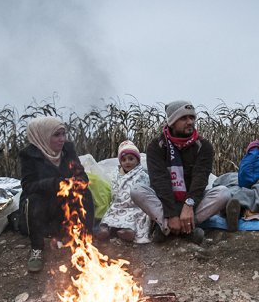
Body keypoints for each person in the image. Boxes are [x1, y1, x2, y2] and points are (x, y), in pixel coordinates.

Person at [131, 100, 231, 243]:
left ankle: (169, 229)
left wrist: (189, 205)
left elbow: (200, 178)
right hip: (165, 201)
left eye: (192, 118)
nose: (190, 122)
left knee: (223, 193)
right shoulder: (157, 146)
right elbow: (159, 181)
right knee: (136, 190)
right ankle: (181, 228)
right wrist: (172, 214)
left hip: (193, 201)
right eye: (184, 118)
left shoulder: (203, 146)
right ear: (172, 122)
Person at [19, 116, 94, 273]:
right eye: (56, 135)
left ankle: (84, 242)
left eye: (63, 134)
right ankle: (37, 249)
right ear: (43, 136)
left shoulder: (67, 150)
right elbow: (28, 186)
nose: (61, 139)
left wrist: (75, 182)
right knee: (34, 200)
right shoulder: (30, 155)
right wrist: (54, 183)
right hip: (44, 201)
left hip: (64, 200)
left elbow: (82, 175)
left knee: (85, 194)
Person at [97, 140, 151, 243]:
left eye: (131, 159)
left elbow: (147, 188)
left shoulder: (142, 174)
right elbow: (114, 188)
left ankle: (129, 231)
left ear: (137, 160)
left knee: (137, 216)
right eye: (124, 160)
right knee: (111, 213)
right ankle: (106, 229)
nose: (127, 162)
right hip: (120, 204)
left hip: (135, 205)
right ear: (120, 162)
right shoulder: (117, 174)